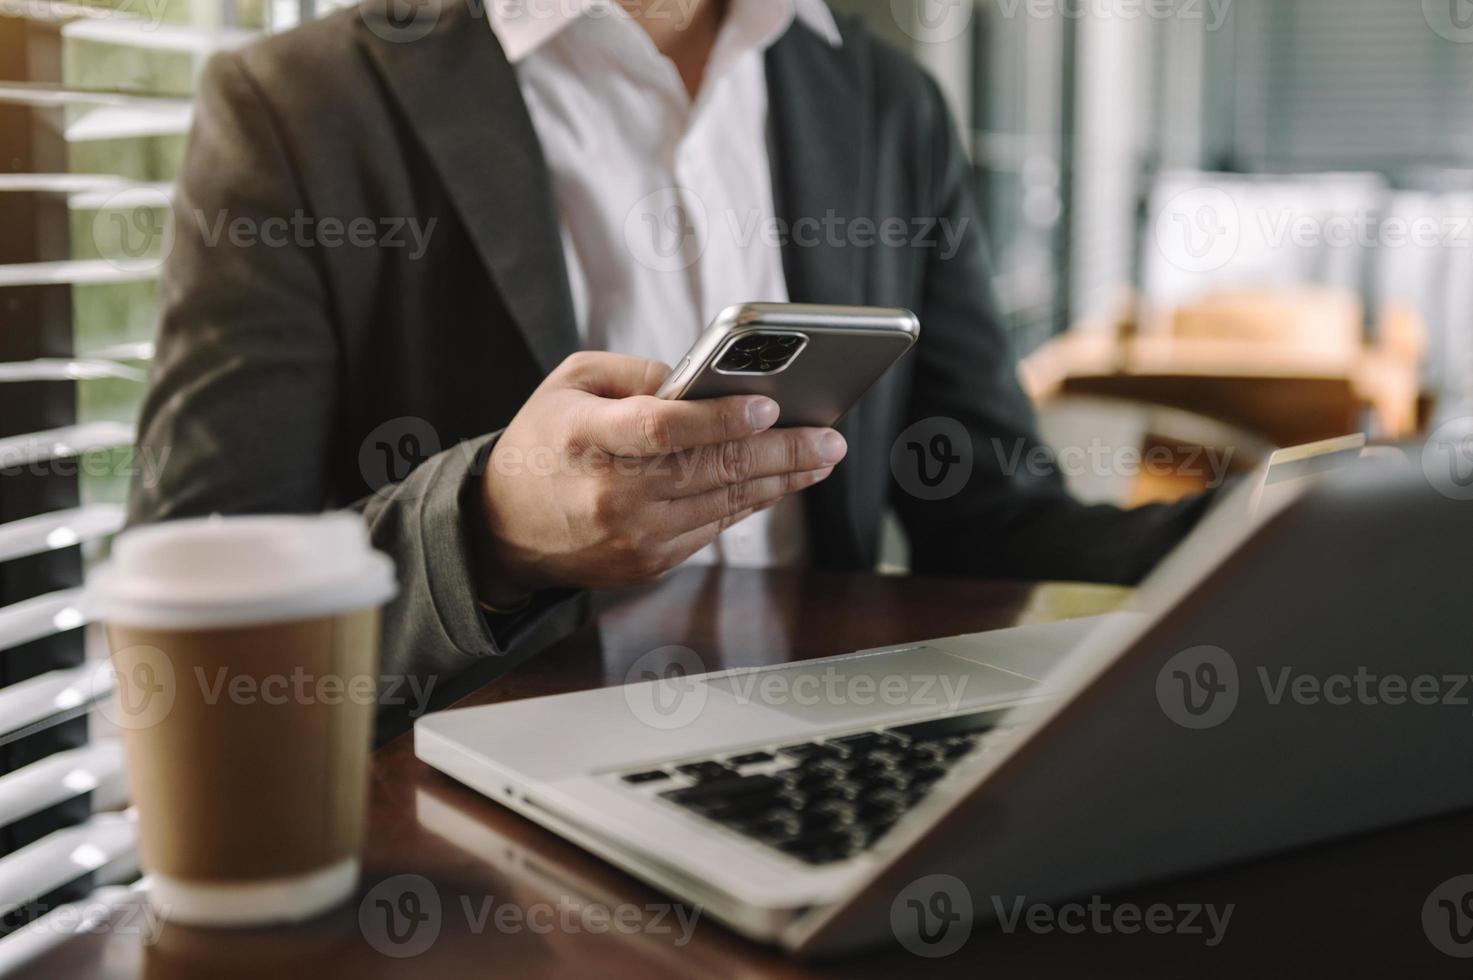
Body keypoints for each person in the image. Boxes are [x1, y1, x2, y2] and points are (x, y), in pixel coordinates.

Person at [129, 0, 1213, 695]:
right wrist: (493, 532)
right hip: (479, 844)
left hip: (829, 765)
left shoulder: (887, 103)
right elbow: (199, 590)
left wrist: (1270, 526)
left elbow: (987, 515)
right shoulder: (296, 111)